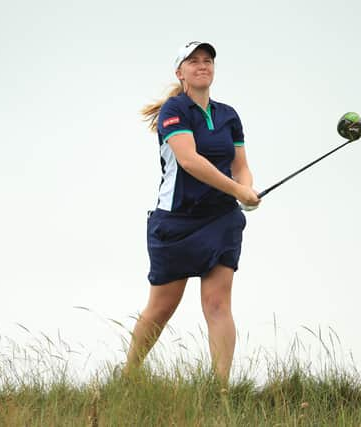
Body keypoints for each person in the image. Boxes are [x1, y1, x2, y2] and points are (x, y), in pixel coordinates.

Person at [124, 41, 259, 385]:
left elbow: (240, 166)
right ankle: (127, 378)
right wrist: (237, 189)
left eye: (208, 60)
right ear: (180, 72)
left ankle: (221, 388)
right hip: (176, 221)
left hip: (221, 219)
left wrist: (247, 191)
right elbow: (189, 161)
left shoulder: (229, 115)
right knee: (161, 308)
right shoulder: (175, 109)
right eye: (194, 61)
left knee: (218, 304)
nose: (202, 65)